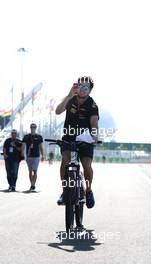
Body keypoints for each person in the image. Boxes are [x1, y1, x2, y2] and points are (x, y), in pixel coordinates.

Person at [55, 76, 99, 208]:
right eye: (81, 86)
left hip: (85, 140)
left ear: (90, 90)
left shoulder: (92, 105)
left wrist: (94, 137)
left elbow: (94, 123)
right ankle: (65, 191)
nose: (83, 89)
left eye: (86, 87)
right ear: (76, 86)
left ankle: (88, 190)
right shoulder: (70, 99)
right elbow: (57, 111)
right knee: (65, 160)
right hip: (68, 138)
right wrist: (69, 95)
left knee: (86, 166)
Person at [22, 123, 44, 191]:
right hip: (28, 156)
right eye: (31, 127)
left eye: (34, 127)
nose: (33, 128)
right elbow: (23, 145)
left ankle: (33, 185)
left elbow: (41, 147)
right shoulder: (26, 136)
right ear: (30, 128)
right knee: (30, 171)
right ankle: (31, 183)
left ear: (35, 128)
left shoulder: (39, 137)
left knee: (35, 171)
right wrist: (22, 152)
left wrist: (43, 155)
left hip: (36, 156)